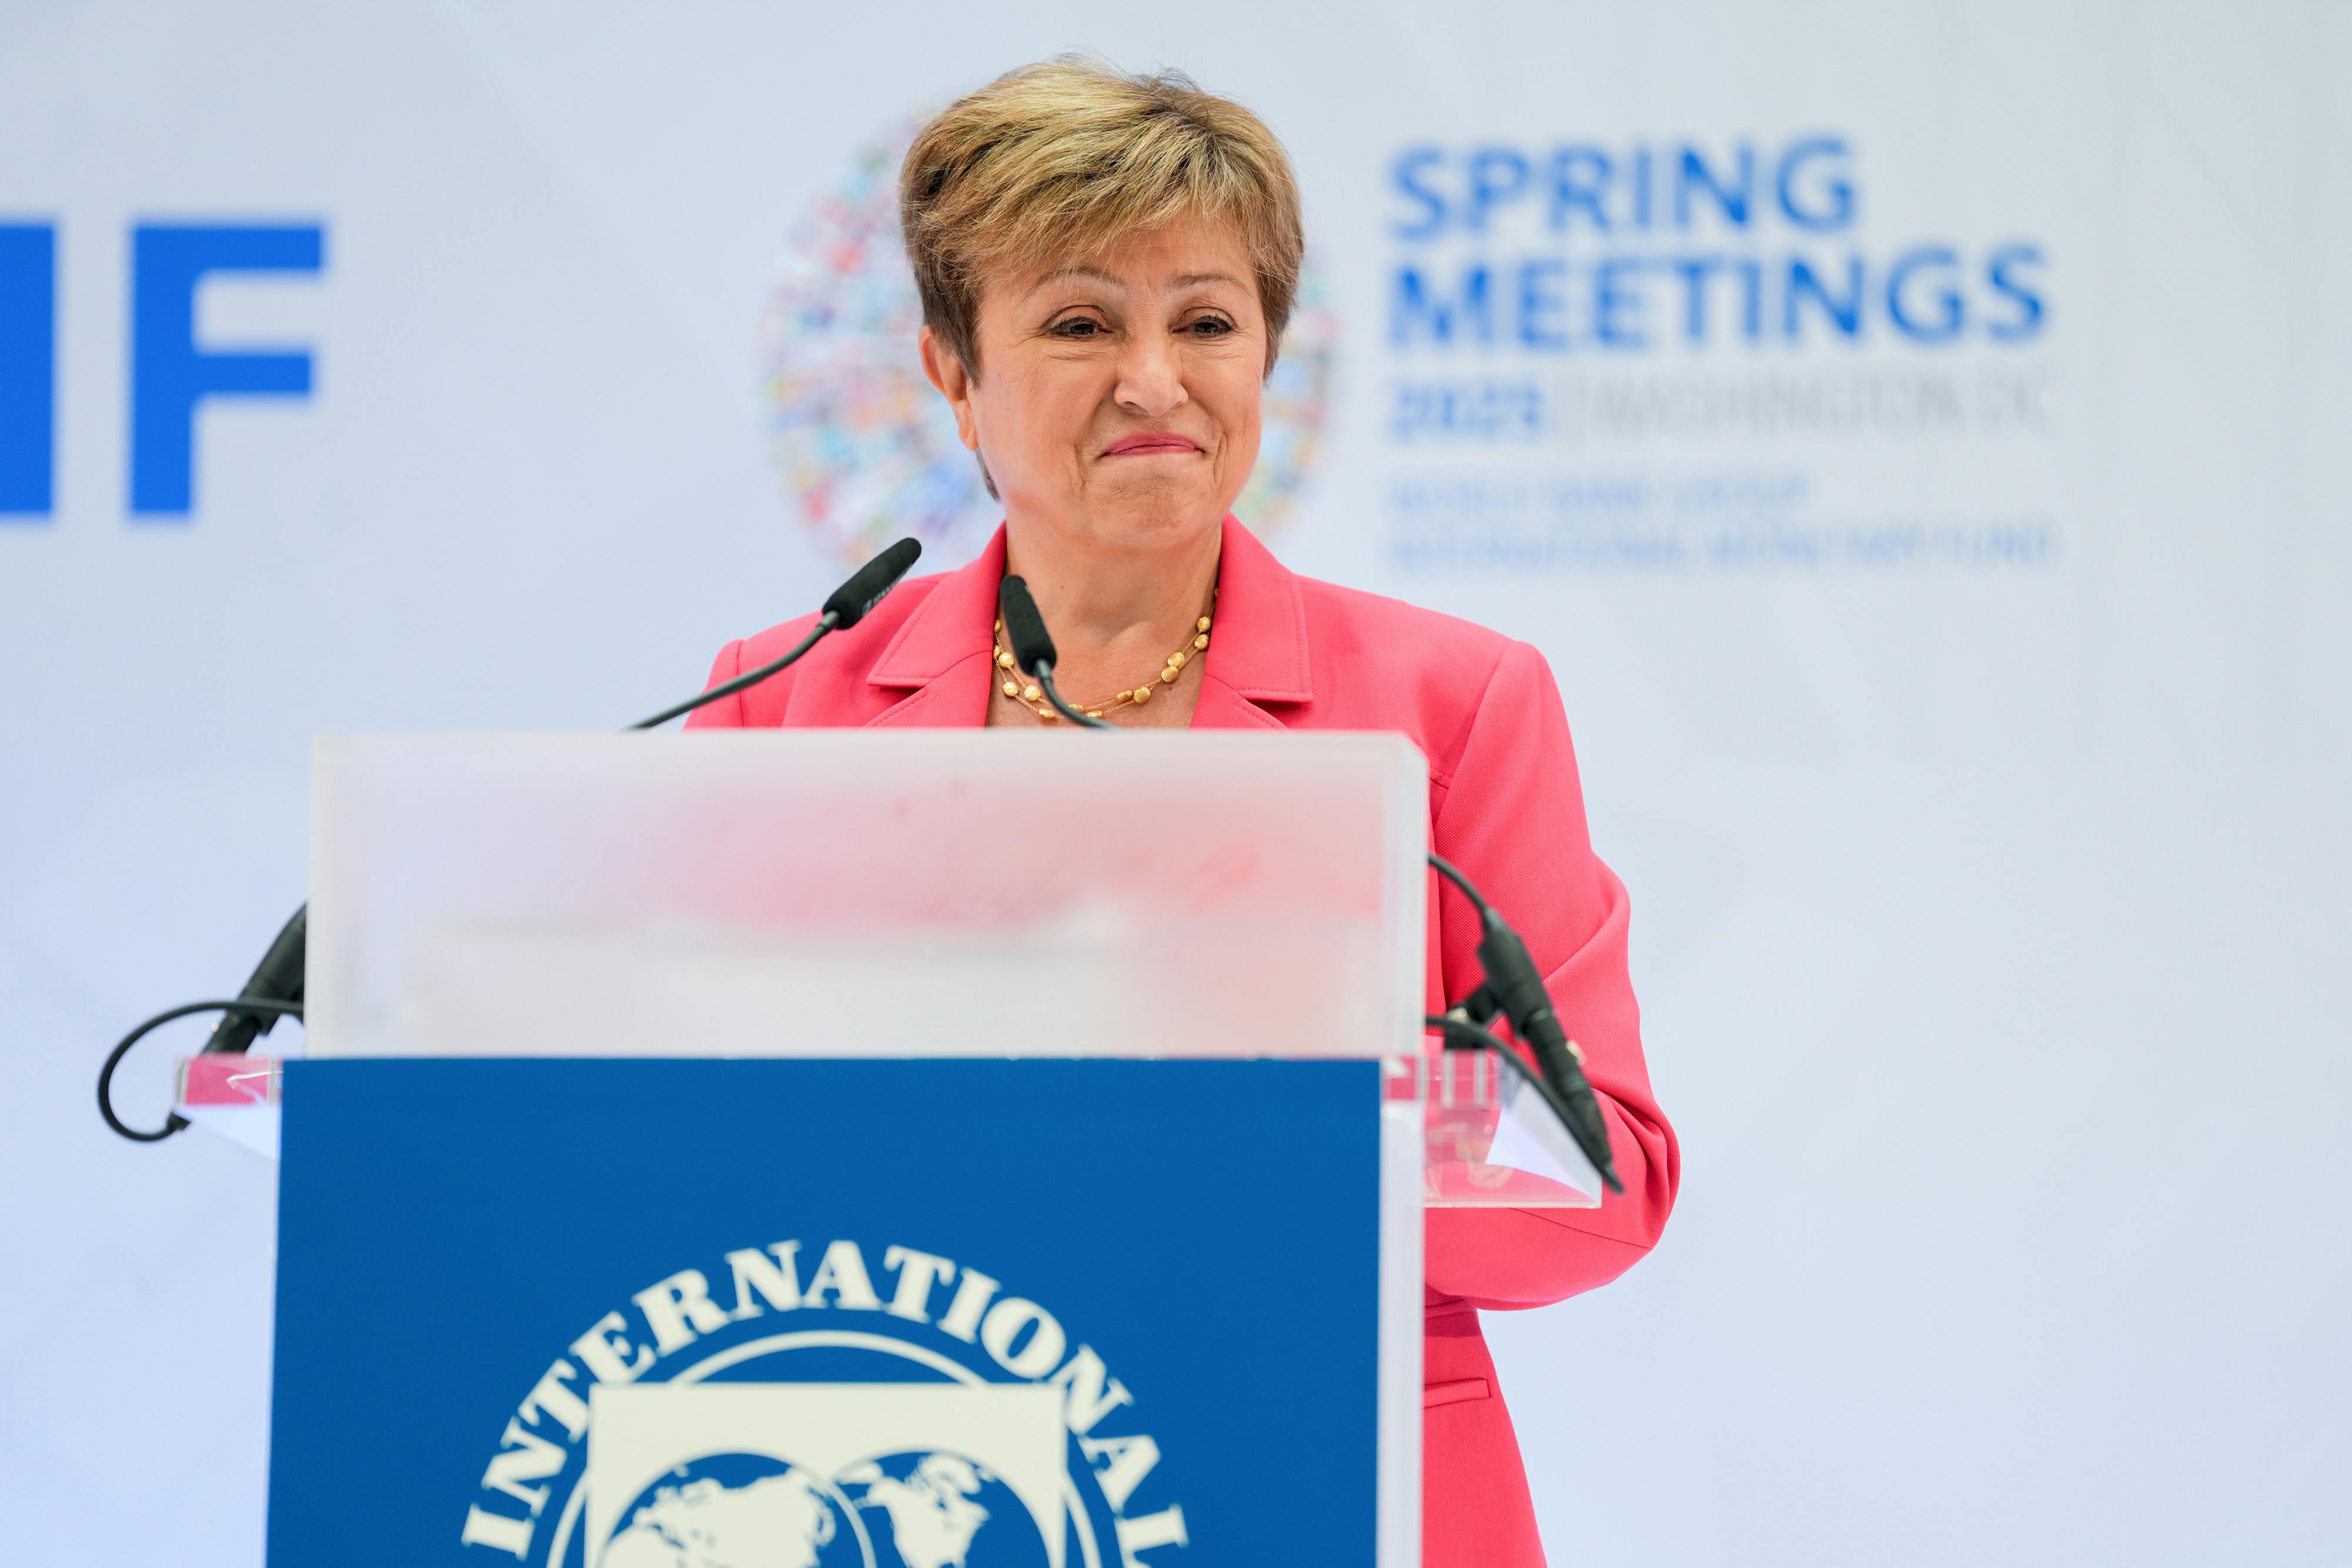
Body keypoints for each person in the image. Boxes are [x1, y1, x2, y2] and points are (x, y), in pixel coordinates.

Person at [689, 56, 1679, 1568]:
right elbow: (685, 1139)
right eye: (1079, 323)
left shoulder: (1450, 704)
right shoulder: (782, 704)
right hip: (915, 1477)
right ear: (951, 372)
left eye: (1206, 322)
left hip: (1325, 1473)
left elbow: (1600, 1177)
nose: (1154, 379)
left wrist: (1296, 1123)